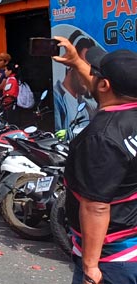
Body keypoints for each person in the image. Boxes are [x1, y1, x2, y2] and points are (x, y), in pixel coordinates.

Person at [55, 40, 137, 284]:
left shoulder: (101, 137)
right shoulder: (129, 115)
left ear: (105, 85)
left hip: (111, 257)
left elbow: (96, 206)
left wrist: (91, 267)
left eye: (96, 73)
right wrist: (76, 62)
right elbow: (103, 89)